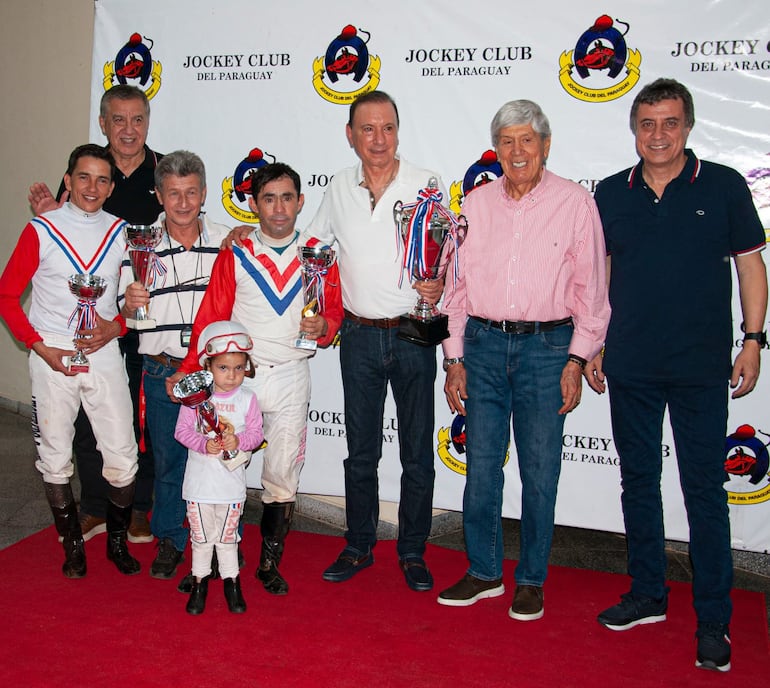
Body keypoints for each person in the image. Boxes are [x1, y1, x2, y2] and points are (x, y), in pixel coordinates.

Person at [587, 78, 767, 672]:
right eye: (647, 124)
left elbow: (750, 266)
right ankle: (647, 594)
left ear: (687, 126)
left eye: (669, 123)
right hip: (631, 363)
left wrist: (754, 339)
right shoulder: (611, 194)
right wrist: (595, 344)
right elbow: (601, 276)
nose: (658, 135)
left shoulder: (723, 185)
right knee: (638, 483)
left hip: (700, 366)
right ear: (634, 130)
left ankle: (714, 619)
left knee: (703, 492)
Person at [437, 100, 610, 618]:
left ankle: (531, 577)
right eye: (507, 141)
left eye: (527, 140)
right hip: (483, 349)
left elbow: (592, 292)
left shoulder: (576, 203)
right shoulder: (475, 205)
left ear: (546, 145)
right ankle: (485, 572)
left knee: (539, 472)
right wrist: (453, 359)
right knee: (482, 469)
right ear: (496, 149)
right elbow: (455, 290)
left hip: (548, 350)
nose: (517, 152)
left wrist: (577, 360)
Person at [173, 162, 342, 596]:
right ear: (253, 204)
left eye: (288, 197)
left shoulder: (319, 255)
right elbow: (212, 315)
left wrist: (323, 325)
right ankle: (213, 557)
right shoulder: (237, 252)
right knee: (220, 464)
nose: (279, 207)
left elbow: (334, 314)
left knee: (282, 474)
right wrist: (192, 371)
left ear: (301, 202)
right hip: (236, 380)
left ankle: (269, 563)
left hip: (291, 376)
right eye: (269, 198)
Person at [306, 90, 446, 592]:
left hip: (413, 334)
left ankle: (412, 550)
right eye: (367, 129)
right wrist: (245, 233)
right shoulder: (339, 187)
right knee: (360, 453)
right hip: (359, 336)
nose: (378, 138)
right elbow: (312, 249)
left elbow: (447, 254)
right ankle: (359, 543)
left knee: (417, 454)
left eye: (387, 127)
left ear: (398, 132)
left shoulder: (427, 184)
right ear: (351, 136)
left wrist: (438, 281)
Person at [28, 84, 163, 544]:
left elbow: (190, 216)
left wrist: (231, 230)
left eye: (137, 119)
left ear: (147, 122)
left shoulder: (162, 171)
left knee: (136, 415)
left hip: (139, 316)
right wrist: (51, 215)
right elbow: (62, 229)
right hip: (83, 325)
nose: (129, 129)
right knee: (82, 414)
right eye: (118, 120)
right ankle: (92, 506)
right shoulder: (88, 166)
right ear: (103, 123)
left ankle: (138, 507)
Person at [0, 143, 142, 577]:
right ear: (68, 180)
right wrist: (40, 347)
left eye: (102, 179)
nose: (92, 187)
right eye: (84, 177)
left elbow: (131, 304)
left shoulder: (122, 232)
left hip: (101, 353)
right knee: (56, 455)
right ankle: (72, 546)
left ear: (112, 186)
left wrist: (115, 326)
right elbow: (7, 296)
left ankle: (117, 543)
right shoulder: (41, 229)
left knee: (123, 455)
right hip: (52, 353)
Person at [120, 150, 231, 581]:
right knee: (168, 464)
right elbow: (125, 314)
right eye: (172, 194)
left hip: (215, 375)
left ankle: (220, 542)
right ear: (159, 196)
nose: (182, 203)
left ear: (203, 193)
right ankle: (170, 540)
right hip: (163, 371)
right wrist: (128, 306)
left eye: (190, 193)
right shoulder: (138, 245)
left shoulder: (229, 241)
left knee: (216, 462)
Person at [175, 320, 265, 614]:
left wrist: (237, 440)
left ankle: (232, 585)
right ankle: (199, 584)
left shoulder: (248, 399)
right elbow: (182, 432)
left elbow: (256, 434)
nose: (232, 376)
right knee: (200, 538)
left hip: (230, 487)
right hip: (199, 485)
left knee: (228, 539)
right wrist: (203, 444)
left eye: (239, 368)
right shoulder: (195, 399)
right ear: (208, 366)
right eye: (224, 368)